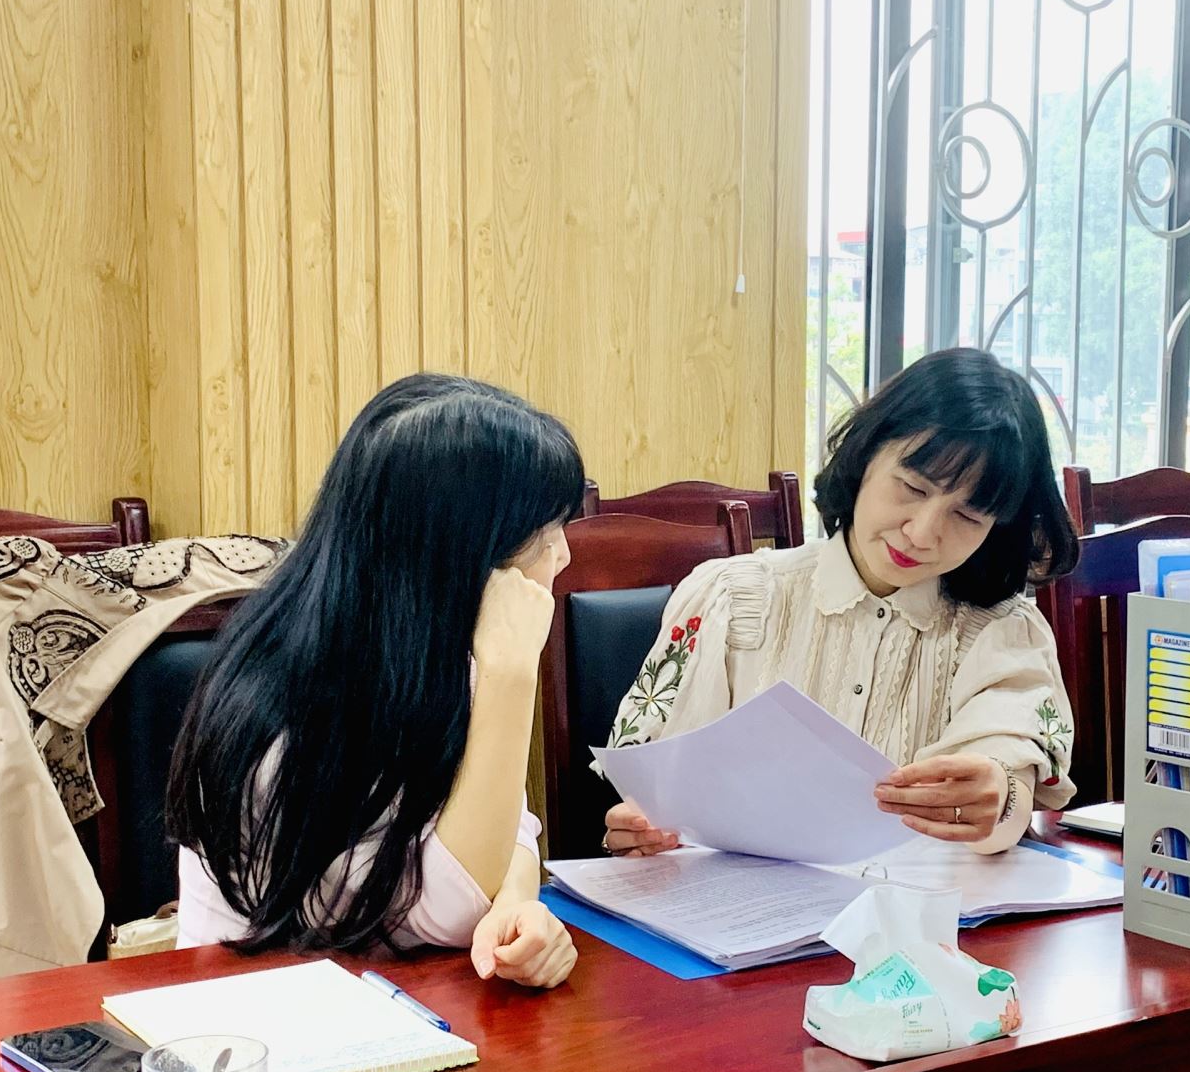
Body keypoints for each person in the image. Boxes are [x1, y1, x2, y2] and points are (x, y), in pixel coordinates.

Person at [168, 374, 580, 988]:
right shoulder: (284, 698)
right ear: (459, 549)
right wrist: (513, 677)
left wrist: (517, 904)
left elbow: (508, 825)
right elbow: (449, 909)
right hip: (254, 1012)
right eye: (543, 532)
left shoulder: (438, 649)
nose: (563, 555)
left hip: (402, 1000)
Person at [601, 347, 1080, 858]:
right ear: (866, 454)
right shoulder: (735, 598)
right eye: (912, 487)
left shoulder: (1000, 631)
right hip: (733, 902)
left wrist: (1000, 796)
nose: (922, 533)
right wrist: (642, 833)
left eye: (967, 517)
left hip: (919, 905)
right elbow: (654, 785)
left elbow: (1009, 774)